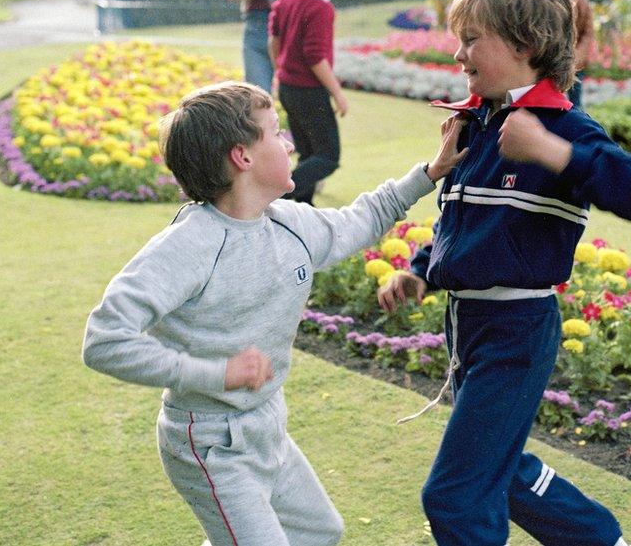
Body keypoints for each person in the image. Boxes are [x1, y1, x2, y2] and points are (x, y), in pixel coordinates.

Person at [82, 80, 466, 545]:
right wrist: (213, 372)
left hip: (266, 426)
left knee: (317, 531)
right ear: (242, 156)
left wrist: (429, 172)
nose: (288, 144)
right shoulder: (187, 247)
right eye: (276, 132)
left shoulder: (290, 223)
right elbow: (104, 340)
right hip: (209, 444)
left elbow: (364, 218)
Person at [378, 0, 631, 546]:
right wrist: (423, 271)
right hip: (471, 328)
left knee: (454, 495)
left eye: (472, 38)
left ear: (525, 45)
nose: (459, 54)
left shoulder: (562, 127)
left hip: (517, 330)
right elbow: (471, 222)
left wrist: (553, 151)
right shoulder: (479, 124)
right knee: (499, 470)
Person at [268, 0, 345, 206]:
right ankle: (281, 191)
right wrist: (338, 93)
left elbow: (273, 41)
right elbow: (315, 57)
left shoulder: (285, 0)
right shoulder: (321, 7)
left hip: (289, 87)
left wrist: (279, 72)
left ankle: (301, 207)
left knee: (307, 151)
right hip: (310, 91)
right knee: (327, 156)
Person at [546, 0, 595, 109]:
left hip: (574, 60)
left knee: (575, 103)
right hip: (551, 58)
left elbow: (588, 33)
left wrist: (578, 57)